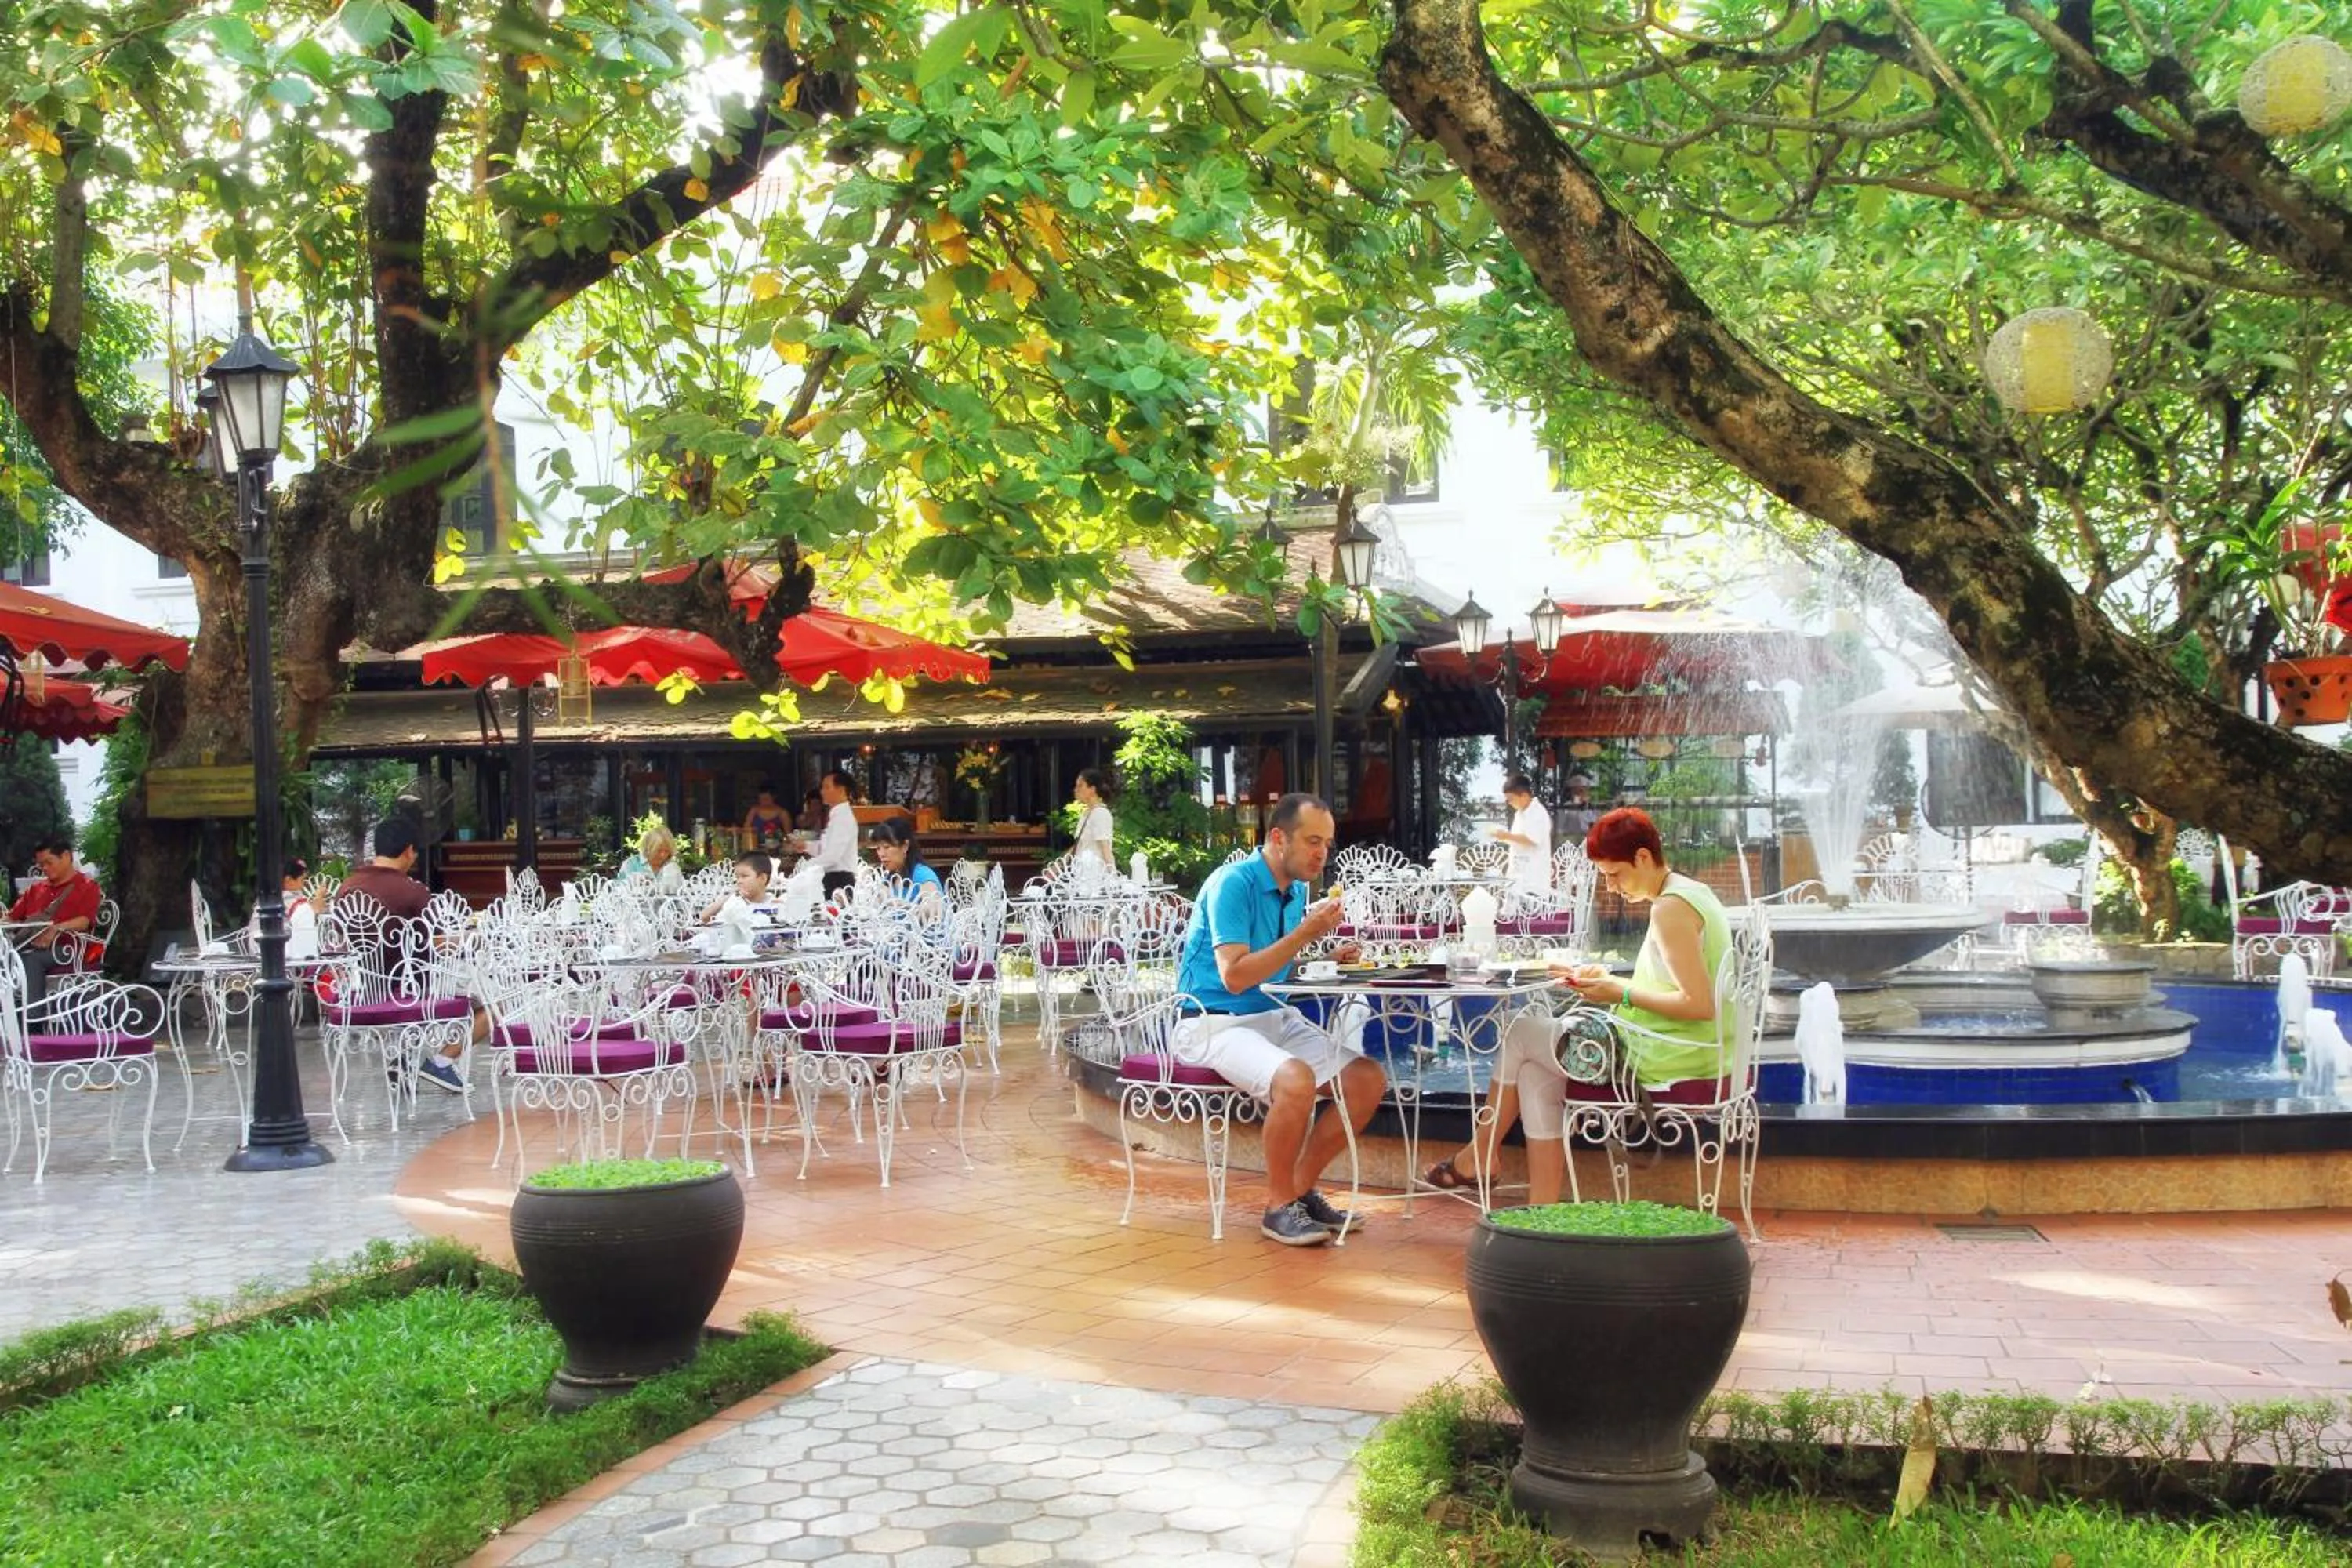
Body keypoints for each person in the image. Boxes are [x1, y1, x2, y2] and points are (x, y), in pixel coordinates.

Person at [1425, 807, 1731, 1203]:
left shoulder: (1669, 908)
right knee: (1535, 1074)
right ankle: (1542, 1210)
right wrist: (1605, 981)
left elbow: (1698, 1004)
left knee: (1519, 1031)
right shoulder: (1693, 893)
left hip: (1665, 1058)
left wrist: (1616, 993)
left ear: (1642, 857)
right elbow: (1681, 989)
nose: (1612, 887)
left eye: (1614, 874)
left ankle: (1480, 1154)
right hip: (1687, 1050)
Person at [1174, 793, 1388, 1247]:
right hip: (1214, 1021)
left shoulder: (1293, 892)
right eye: (1313, 841)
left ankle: (1299, 1190)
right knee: (1295, 1080)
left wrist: (1324, 955)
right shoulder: (1233, 883)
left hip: (1269, 1014)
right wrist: (1303, 934)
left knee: (1366, 1079)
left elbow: (1276, 971)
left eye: (1327, 844)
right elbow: (1234, 976)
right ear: (1277, 838)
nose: (1321, 853)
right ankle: (1277, 1207)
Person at [331, 819, 471, 1092]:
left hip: (364, 990)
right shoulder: (412, 891)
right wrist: (471, 937)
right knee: (493, 1003)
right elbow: (440, 944)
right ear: (409, 850)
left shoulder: (346, 889)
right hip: (415, 989)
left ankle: (405, 1060)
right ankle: (441, 1063)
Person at [7, 837, 105, 1005]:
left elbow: (84, 921)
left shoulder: (87, 886)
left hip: (69, 949)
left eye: (48, 863)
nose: (44, 868)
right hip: (30, 945)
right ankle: (8, 1015)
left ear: (66, 856)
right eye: (41, 865)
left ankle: (32, 1020)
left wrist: (57, 928)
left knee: (29, 960)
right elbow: (11, 917)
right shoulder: (36, 889)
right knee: (15, 956)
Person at [1490, 773, 1552, 895]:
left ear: (1524, 796)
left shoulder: (1537, 813)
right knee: (1512, 911)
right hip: (1517, 875)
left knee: (1529, 912)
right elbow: (1518, 840)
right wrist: (1503, 837)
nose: (1509, 803)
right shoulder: (1520, 814)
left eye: (1511, 799)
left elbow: (1531, 839)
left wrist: (1507, 836)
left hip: (1533, 879)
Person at [868, 818, 944, 915]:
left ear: (905, 846)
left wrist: (903, 906)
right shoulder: (891, 877)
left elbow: (934, 913)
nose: (881, 854)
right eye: (878, 848)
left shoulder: (922, 874)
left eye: (887, 847)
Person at [812, 769, 862, 899]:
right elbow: (826, 849)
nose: (822, 792)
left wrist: (806, 867)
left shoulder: (843, 818)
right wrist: (805, 846)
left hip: (839, 880)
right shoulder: (837, 816)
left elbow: (832, 856)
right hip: (832, 878)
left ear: (841, 789)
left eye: (826, 787)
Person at [698, 850, 775, 922]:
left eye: (744, 876)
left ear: (762, 878)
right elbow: (703, 918)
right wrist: (730, 897)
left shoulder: (772, 903)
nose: (739, 881)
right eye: (737, 877)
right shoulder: (735, 901)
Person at [1069, 768, 1116, 873]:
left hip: (1095, 878)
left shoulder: (1100, 814)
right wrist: (1057, 868)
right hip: (1082, 875)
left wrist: (1113, 877)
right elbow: (1079, 845)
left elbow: (1105, 848)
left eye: (1080, 786)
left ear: (1092, 789)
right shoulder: (1087, 814)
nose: (1076, 790)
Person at [619, 823, 686, 893]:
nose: (663, 855)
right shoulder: (631, 865)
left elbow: (681, 893)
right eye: (659, 851)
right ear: (648, 848)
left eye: (666, 851)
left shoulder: (672, 866)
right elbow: (619, 892)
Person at [743, 784, 793, 854]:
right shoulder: (754, 811)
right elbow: (746, 830)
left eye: (766, 799)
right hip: (756, 848)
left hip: (776, 849)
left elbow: (788, 835)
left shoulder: (782, 813)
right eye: (761, 799)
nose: (764, 802)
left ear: (774, 797)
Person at [1559, 774, 1602, 840]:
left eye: (1581, 791)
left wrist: (1586, 806)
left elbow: (1597, 825)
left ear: (1587, 792)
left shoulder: (1593, 807)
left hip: (1588, 841)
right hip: (1571, 841)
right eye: (1575, 792)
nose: (1579, 794)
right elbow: (1559, 828)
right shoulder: (1566, 807)